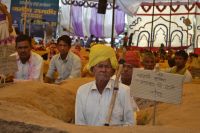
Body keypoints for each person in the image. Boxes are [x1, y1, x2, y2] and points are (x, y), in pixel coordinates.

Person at [75, 44, 135, 126]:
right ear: (93, 69)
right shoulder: (82, 91)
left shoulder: (124, 91)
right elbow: (79, 124)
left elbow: (130, 123)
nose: (103, 70)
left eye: (107, 66)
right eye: (100, 66)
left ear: (112, 71)